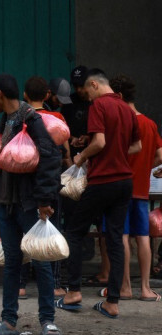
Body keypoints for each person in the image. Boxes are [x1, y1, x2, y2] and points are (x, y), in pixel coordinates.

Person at [0, 74, 62, 335]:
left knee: (41, 262)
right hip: (6, 203)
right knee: (12, 263)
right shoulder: (5, 121)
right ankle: (9, 321)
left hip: (29, 204)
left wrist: (44, 200)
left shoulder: (31, 119)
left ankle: (48, 321)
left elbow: (51, 156)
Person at [57, 68, 141, 319]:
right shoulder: (127, 108)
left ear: (94, 84)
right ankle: (112, 302)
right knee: (115, 238)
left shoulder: (100, 106)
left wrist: (81, 156)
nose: (87, 97)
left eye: (86, 90)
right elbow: (137, 145)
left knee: (73, 232)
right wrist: (114, 153)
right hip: (124, 181)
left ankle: (73, 292)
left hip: (102, 180)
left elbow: (101, 142)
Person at [95, 74, 162, 301]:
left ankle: (124, 287)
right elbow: (160, 155)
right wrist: (147, 168)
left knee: (120, 236)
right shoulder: (150, 124)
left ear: (119, 96)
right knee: (143, 236)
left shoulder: (120, 121)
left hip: (117, 187)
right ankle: (145, 288)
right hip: (141, 189)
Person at [23, 76, 71, 298]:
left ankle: (21, 285)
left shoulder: (21, 118)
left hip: (23, 184)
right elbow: (65, 153)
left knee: (23, 231)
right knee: (51, 231)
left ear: (24, 95)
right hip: (49, 183)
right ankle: (54, 284)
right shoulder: (57, 117)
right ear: (47, 96)